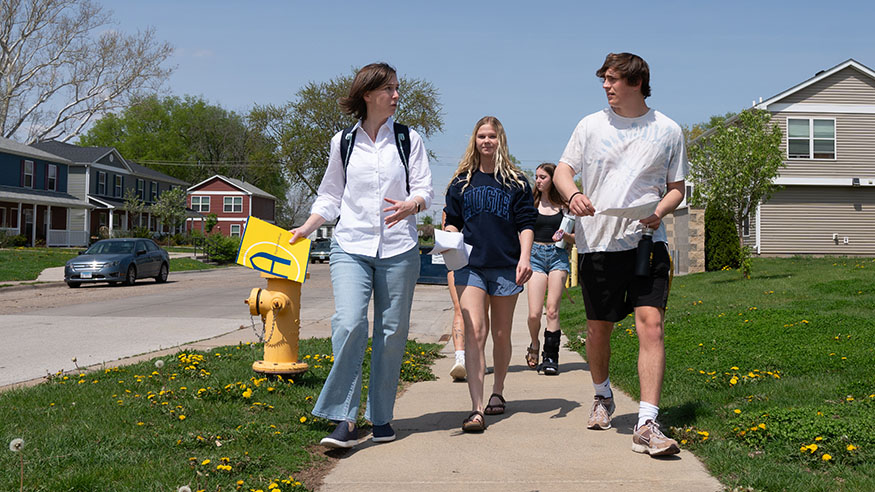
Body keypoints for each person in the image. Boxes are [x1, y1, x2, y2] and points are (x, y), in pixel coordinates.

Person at [289, 62, 433, 449]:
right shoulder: (343, 142)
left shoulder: (408, 139)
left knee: (391, 333)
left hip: (400, 249)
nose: (397, 95)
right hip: (350, 244)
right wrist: (306, 227)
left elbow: (425, 188)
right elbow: (331, 194)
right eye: (389, 88)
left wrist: (412, 204)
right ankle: (344, 418)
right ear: (368, 95)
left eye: (398, 88)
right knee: (350, 322)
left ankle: (382, 416)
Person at [553, 53, 688, 456]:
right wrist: (573, 194)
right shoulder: (590, 126)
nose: (607, 87)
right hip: (598, 243)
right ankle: (602, 396)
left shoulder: (668, 130)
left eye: (613, 80)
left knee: (651, 325)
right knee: (599, 329)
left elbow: (678, 187)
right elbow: (563, 170)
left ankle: (647, 421)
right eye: (604, 80)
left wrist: (659, 212)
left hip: (648, 241)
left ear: (636, 82)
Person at [443, 116, 536, 432]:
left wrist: (525, 258)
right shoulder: (461, 182)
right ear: (475, 140)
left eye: (492, 136)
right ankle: (476, 408)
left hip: (507, 265)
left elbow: (526, 223)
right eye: (481, 136)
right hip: (470, 266)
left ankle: (499, 390)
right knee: (475, 332)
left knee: (501, 333)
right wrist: (450, 235)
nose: (486, 141)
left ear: (500, 140)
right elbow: (452, 219)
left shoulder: (517, 182)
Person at [525, 163, 574, 375]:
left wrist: (565, 235)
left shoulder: (565, 206)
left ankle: (551, 357)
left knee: (552, 310)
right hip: (535, 256)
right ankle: (534, 344)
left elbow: (576, 238)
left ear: (553, 180)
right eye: (536, 177)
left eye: (543, 177)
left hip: (557, 257)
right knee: (535, 313)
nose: (538, 180)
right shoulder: (530, 203)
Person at [443, 211, 467, 382]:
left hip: (484, 261)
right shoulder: (451, 207)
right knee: (459, 309)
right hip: (458, 262)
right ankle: (460, 359)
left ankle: (477, 354)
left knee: (481, 312)